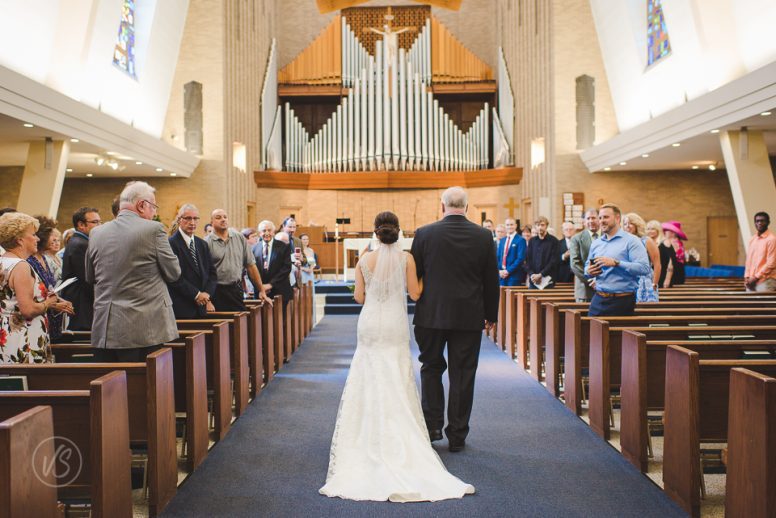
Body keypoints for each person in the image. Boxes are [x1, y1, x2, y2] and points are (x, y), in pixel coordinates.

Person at [320, 211, 474, 502]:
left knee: (368, 373)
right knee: (395, 372)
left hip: (369, 324)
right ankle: (400, 430)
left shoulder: (364, 259)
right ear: (398, 231)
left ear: (376, 232)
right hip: (393, 322)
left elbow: (360, 298)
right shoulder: (406, 259)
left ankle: (365, 433)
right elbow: (415, 294)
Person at [411, 186, 499, 452]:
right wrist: (491, 315)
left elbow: (414, 274)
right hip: (468, 316)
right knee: (463, 375)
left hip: (431, 315)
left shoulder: (424, 234)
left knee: (430, 368)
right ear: (468, 207)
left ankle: (433, 426)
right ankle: (458, 435)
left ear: (442, 206)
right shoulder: (484, 236)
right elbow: (490, 280)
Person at [86, 181, 181, 362]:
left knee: (109, 387)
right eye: (153, 206)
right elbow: (174, 273)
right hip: (144, 330)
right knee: (143, 386)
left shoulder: (97, 233)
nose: (155, 213)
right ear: (141, 205)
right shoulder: (153, 229)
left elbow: (90, 276)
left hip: (105, 329)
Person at [0, 212, 73, 363]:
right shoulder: (20, 266)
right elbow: (28, 310)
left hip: (7, 331)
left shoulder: (3, 261)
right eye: (33, 235)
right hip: (23, 337)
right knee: (29, 382)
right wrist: (49, 303)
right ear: (20, 240)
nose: (38, 239)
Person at [585, 204, 651, 316]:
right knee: (590, 332)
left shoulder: (632, 241)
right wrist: (588, 271)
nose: (601, 221)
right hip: (599, 299)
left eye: (606, 217)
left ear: (617, 218)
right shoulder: (596, 243)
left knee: (619, 333)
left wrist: (617, 263)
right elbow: (586, 268)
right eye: (600, 218)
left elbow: (644, 268)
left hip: (623, 300)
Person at [205, 209, 271, 311]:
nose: (223, 219)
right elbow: (204, 274)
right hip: (216, 291)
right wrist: (207, 301)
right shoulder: (206, 242)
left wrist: (261, 290)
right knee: (220, 324)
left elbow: (251, 266)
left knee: (239, 324)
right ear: (211, 222)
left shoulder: (239, 237)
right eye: (218, 218)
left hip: (235, 289)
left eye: (225, 217)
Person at [167, 204, 218, 318]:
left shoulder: (202, 244)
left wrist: (206, 295)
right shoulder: (170, 244)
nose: (192, 222)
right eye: (188, 218)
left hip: (202, 306)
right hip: (182, 307)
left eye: (195, 218)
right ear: (179, 220)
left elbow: (212, 273)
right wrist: (197, 295)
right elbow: (174, 277)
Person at [27, 217, 68, 340]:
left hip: (50, 320)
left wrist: (60, 300)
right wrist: (53, 305)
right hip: (37, 320)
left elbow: (48, 289)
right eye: (52, 236)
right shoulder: (29, 260)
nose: (55, 240)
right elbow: (33, 296)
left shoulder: (43, 258)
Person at [61, 207, 101, 330]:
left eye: (100, 222)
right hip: (81, 303)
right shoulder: (80, 244)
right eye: (95, 222)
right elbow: (87, 279)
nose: (99, 226)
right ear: (81, 225)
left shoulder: (80, 241)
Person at [623, 212, 661, 303]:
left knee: (647, 312)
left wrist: (654, 284)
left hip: (645, 283)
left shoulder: (647, 241)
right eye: (625, 224)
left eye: (630, 223)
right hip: (627, 282)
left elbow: (657, 264)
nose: (627, 226)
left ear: (637, 224)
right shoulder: (623, 242)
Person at [254, 220, 293, 308]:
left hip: (280, 291)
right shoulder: (254, 248)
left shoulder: (284, 247)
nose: (267, 233)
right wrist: (261, 287)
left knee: (280, 321)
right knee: (260, 321)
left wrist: (270, 285)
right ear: (260, 233)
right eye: (264, 231)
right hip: (260, 292)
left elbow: (286, 268)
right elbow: (251, 270)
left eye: (269, 230)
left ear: (274, 232)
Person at [569, 208, 600, 302]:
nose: (591, 221)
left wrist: (601, 281)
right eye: (588, 218)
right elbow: (574, 264)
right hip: (584, 289)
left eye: (594, 218)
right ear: (583, 221)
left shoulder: (607, 236)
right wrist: (590, 280)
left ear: (599, 219)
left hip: (606, 288)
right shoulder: (576, 239)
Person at [524, 216, 560, 289]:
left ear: (546, 226)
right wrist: (532, 274)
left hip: (547, 279)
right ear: (535, 227)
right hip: (533, 280)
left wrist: (541, 274)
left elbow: (553, 261)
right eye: (538, 225)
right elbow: (527, 260)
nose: (540, 227)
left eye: (542, 225)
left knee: (547, 300)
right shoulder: (532, 241)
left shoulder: (554, 241)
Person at [744, 211, 776, 292]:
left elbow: (771, 264)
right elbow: (749, 261)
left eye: (762, 221)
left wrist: (756, 277)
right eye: (757, 221)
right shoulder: (753, 239)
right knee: (749, 304)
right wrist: (747, 277)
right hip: (751, 281)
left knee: (763, 304)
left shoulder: (772, 239)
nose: (759, 223)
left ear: (768, 222)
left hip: (766, 280)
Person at [497, 217, 526, 286]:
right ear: (505, 226)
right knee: (501, 296)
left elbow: (520, 259)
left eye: (511, 224)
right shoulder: (502, 240)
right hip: (501, 276)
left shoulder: (521, 240)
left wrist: (508, 271)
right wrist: (499, 271)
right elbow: (498, 257)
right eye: (507, 225)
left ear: (515, 225)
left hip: (513, 276)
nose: (509, 227)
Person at [661, 221, 687, 285]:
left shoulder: (674, 242)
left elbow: (672, 256)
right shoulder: (676, 241)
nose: (665, 232)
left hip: (675, 269)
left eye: (667, 230)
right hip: (677, 268)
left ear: (673, 233)